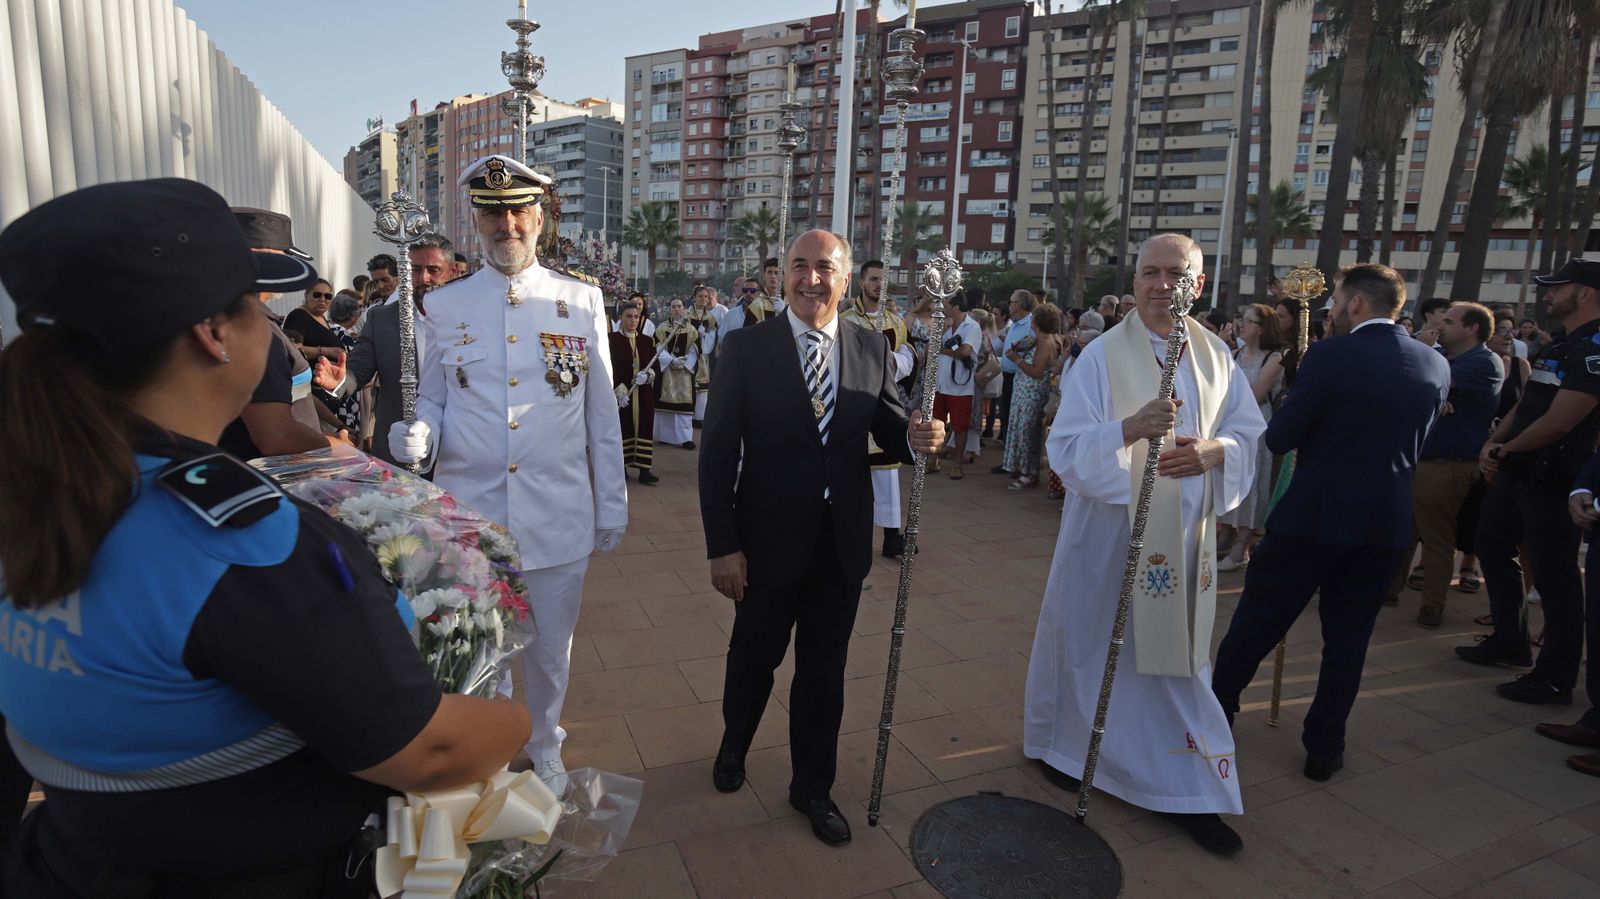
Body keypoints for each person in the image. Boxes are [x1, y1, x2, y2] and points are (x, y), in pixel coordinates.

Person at [0, 178, 528, 896]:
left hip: (69, 861)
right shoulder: (241, 543)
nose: (270, 327)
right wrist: (520, 723)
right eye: (254, 308)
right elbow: (428, 749)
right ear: (212, 334)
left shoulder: (42, 485)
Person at [388, 154, 627, 793]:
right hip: (470, 511)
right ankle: (488, 744)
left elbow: (600, 412)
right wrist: (419, 431)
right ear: (476, 222)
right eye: (493, 213)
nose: (507, 225)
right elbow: (434, 396)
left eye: (519, 211)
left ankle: (546, 743)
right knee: (480, 644)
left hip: (558, 508)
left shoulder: (580, 300)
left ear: (540, 218)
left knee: (550, 649)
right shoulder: (443, 305)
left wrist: (613, 502)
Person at [700, 229, 945, 847]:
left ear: (845, 278)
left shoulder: (869, 346)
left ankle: (812, 786)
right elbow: (717, 454)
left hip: (839, 545)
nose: (812, 279)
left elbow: (890, 427)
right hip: (764, 543)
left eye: (825, 269)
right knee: (754, 659)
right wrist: (722, 545)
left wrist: (920, 435)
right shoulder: (746, 348)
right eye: (799, 267)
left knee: (823, 671)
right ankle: (735, 742)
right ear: (782, 275)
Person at [1024, 234, 1265, 855]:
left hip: (1184, 539)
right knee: (1089, 649)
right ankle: (1066, 750)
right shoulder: (1102, 356)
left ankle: (1188, 788)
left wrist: (1217, 451)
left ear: (1199, 284)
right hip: (1106, 540)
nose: (1162, 285)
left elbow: (1247, 435)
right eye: (1150, 273)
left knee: (1176, 663)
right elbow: (1067, 451)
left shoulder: (1218, 358)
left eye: (1176, 273)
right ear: (1134, 283)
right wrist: (1130, 429)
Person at [1212, 263, 1450, 786]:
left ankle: (1214, 716)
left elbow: (1281, 436)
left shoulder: (1331, 355)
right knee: (1348, 642)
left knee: (1257, 623)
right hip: (1385, 523)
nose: (1331, 311)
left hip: (1313, 518)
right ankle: (1324, 747)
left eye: (1336, 301)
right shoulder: (1435, 363)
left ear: (1356, 305)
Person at [1456, 258, 1600, 704]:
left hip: (1555, 478)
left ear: (1586, 293)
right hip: (1518, 470)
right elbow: (1528, 404)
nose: (1548, 294)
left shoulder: (1595, 346)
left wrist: (1505, 450)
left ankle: (1555, 677)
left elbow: (1561, 421)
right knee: (1492, 546)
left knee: (1555, 577)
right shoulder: (1559, 344)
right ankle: (1509, 640)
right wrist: (1494, 443)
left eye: (1558, 287)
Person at [1384, 302, 1503, 627]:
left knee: (1436, 539)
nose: (1441, 326)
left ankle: (1432, 605)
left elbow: (1422, 382)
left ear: (1472, 329)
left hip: (1448, 465)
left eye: (1450, 321)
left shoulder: (1483, 361)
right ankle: (1390, 589)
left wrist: (1418, 352)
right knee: (1404, 530)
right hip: (1423, 460)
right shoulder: (1454, 359)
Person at [216, 208, 349, 459]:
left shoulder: (247, 317)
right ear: (264, 256)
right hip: (267, 474)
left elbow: (295, 397)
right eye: (284, 255)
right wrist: (336, 446)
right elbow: (276, 437)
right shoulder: (250, 326)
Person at [336, 233, 455, 468]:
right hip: (397, 447)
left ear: (452, 271)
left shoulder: (471, 318)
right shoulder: (381, 319)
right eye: (415, 269)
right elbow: (358, 369)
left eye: (434, 270)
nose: (424, 278)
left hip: (456, 449)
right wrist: (339, 382)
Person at [840, 259, 916, 558]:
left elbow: (907, 363)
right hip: (851, 408)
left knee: (887, 474)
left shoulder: (895, 324)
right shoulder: (845, 320)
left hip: (882, 409)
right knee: (849, 472)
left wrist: (885, 364)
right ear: (861, 282)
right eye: (873, 279)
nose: (878, 285)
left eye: (883, 280)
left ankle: (891, 537)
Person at [1215, 303, 1287, 571]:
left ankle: (1241, 546)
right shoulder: (1234, 353)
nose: (1241, 325)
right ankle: (1226, 535)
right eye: (1240, 319)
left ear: (1262, 328)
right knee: (1228, 478)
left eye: (1249, 321)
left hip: (1256, 426)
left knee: (1253, 483)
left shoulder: (1274, 358)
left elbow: (1254, 394)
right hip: (1230, 425)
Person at [1000, 302, 1062, 490]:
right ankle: (1023, 468)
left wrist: (1016, 359)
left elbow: (1036, 371)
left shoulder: (1045, 343)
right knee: (1023, 430)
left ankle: (1029, 472)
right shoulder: (1041, 338)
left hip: (1032, 395)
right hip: (1025, 394)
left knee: (1028, 433)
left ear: (1038, 321)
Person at [931, 293, 981, 479]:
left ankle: (957, 464)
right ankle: (933, 461)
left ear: (955, 306)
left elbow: (965, 352)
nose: (942, 306)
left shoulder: (972, 327)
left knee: (960, 427)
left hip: (960, 387)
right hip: (941, 384)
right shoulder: (947, 325)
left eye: (945, 303)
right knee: (936, 423)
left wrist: (941, 350)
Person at [611, 304, 659, 484]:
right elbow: (609, 368)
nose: (633, 320)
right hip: (623, 395)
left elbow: (656, 367)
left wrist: (648, 376)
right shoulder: (612, 340)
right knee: (623, 428)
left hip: (644, 394)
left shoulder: (647, 341)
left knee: (645, 428)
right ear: (621, 318)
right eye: (629, 316)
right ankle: (621, 467)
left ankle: (645, 470)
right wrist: (619, 390)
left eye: (636, 317)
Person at [990, 290, 1036, 456]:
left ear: (1020, 305)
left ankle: (1012, 457)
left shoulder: (1031, 325)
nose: (1009, 305)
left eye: (1012, 302)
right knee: (1005, 415)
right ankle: (1008, 455)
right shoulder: (1015, 323)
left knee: (1013, 417)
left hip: (1020, 378)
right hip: (1007, 377)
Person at [653, 297, 699, 450]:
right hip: (667, 371)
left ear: (684, 308)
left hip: (684, 373)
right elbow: (658, 349)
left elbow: (695, 350)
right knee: (665, 406)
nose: (676, 309)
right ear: (669, 309)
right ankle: (665, 436)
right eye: (673, 306)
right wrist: (671, 361)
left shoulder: (691, 330)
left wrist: (685, 364)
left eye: (679, 306)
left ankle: (685, 438)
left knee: (683, 407)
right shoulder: (662, 328)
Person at [688, 285, 722, 428]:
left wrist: (705, 336)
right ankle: (688, 414)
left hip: (704, 357)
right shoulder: (687, 315)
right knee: (688, 385)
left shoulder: (711, 317)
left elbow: (714, 336)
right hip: (689, 354)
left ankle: (700, 416)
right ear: (694, 298)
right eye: (700, 296)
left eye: (706, 296)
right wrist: (694, 335)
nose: (704, 299)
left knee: (703, 388)